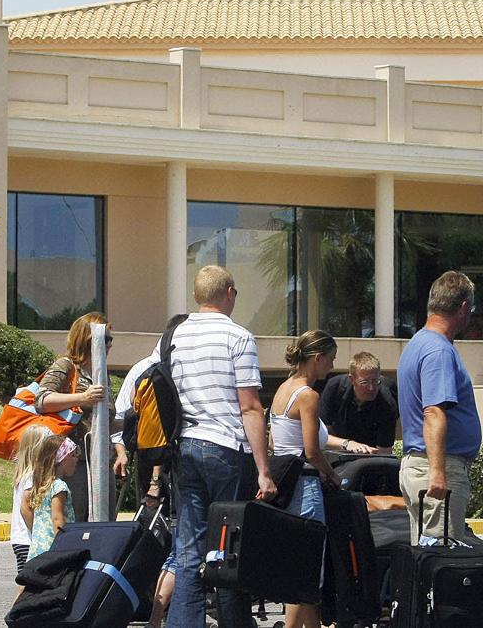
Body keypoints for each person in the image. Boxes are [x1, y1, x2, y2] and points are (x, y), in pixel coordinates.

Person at [163, 264, 275, 628]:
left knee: (188, 552)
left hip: (185, 448)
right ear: (229, 293)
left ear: (197, 296)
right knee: (228, 552)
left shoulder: (174, 335)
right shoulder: (238, 337)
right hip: (226, 448)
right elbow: (250, 406)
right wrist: (263, 470)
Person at [396, 270, 483, 548]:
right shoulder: (439, 351)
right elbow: (433, 412)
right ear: (462, 309)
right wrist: (438, 472)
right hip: (434, 468)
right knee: (442, 562)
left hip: (419, 465)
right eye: (470, 309)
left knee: (427, 560)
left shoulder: (418, 344)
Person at [269, 330, 344, 628]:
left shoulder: (282, 390)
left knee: (298, 564)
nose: (331, 367)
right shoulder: (309, 396)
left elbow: (275, 442)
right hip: (306, 485)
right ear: (317, 358)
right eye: (331, 360)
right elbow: (312, 450)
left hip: (285, 486)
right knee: (310, 568)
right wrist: (333, 474)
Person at [34, 311, 110, 522]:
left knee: (103, 522)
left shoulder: (100, 373)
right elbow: (41, 400)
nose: (110, 345)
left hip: (99, 461)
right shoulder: (66, 366)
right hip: (73, 462)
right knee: (75, 521)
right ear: (88, 340)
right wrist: (82, 397)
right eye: (105, 339)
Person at [111, 313, 190, 511]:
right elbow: (122, 417)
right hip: (153, 460)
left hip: (181, 457)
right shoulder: (146, 370)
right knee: (156, 524)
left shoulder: (184, 366)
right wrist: (122, 454)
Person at [319, 351, 398, 454]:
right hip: (338, 450)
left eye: (375, 381)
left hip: (370, 453)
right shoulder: (334, 388)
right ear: (352, 379)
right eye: (364, 382)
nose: (371, 388)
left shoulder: (387, 402)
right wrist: (348, 444)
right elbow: (322, 436)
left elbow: (384, 451)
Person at [25, 435, 80, 560]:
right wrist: (62, 548)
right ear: (60, 459)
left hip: (38, 551)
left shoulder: (41, 484)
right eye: (72, 455)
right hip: (53, 550)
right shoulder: (59, 486)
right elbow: (57, 519)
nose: (76, 459)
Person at [11, 424, 55, 573]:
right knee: (29, 582)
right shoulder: (32, 475)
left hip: (20, 538)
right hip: (28, 540)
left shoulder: (24, 473)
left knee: (26, 581)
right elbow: (25, 507)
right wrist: (37, 531)